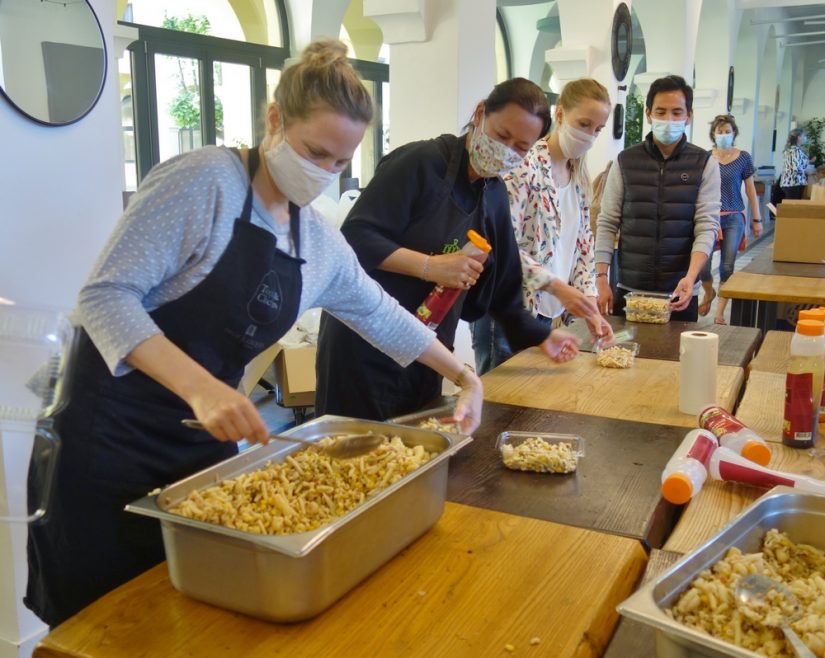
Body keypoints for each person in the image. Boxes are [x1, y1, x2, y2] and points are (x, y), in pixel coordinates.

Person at [25, 39, 485, 628]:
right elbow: (104, 296)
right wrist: (202, 388)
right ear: (274, 121)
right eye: (315, 152)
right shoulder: (205, 182)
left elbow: (381, 314)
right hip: (107, 434)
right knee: (99, 621)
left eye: (340, 163)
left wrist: (463, 376)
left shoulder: (315, 241)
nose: (324, 172)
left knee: (193, 612)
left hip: (200, 444)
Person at [315, 78, 581, 421]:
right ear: (480, 113)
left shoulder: (494, 195)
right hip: (362, 348)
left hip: (428, 353)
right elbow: (356, 238)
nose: (507, 151)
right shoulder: (420, 163)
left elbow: (505, 292)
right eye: (502, 136)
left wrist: (542, 336)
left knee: (413, 444)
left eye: (520, 147)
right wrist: (430, 266)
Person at [470, 77, 614, 374]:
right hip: (509, 305)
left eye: (597, 129)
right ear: (560, 114)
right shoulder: (524, 165)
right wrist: (558, 288)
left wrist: (589, 304)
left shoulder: (577, 175)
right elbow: (502, 244)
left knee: (531, 393)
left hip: (546, 309)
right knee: (500, 391)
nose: (589, 136)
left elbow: (583, 244)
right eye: (584, 124)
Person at [594, 75, 720, 322]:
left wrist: (691, 277)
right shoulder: (626, 161)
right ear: (649, 114)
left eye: (677, 112)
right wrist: (601, 277)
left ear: (689, 116)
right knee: (625, 346)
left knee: (678, 347)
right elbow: (607, 222)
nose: (669, 119)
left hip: (680, 292)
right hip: (630, 288)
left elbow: (707, 226)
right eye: (661, 112)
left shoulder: (704, 164)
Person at [697, 114, 762, 323]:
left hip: (734, 217)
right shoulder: (706, 158)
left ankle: (719, 312)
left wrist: (757, 219)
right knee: (703, 267)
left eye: (727, 131)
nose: (724, 135)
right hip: (710, 217)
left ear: (734, 133)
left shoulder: (743, 158)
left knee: (727, 266)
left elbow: (751, 190)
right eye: (720, 132)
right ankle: (709, 293)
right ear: (713, 134)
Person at [779, 128, 814, 200]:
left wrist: (809, 162)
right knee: (792, 206)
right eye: (803, 136)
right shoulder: (794, 150)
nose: (805, 138)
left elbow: (799, 163)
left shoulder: (794, 150)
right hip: (793, 183)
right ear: (798, 137)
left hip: (795, 183)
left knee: (793, 205)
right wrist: (807, 171)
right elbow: (795, 167)